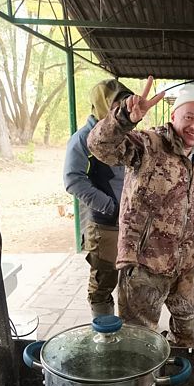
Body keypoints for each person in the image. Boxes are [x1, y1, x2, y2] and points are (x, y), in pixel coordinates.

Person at [87, 77, 194, 347]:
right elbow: (101, 147)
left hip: (183, 270)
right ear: (173, 115)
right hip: (144, 268)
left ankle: (169, 378)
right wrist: (123, 119)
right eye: (189, 117)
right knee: (137, 342)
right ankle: (144, 385)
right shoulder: (149, 145)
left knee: (189, 333)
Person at [63, 79, 133, 318]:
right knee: (103, 283)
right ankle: (104, 337)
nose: (122, 109)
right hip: (105, 225)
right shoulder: (83, 138)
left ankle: (125, 334)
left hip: (131, 222)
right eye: (117, 103)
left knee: (131, 280)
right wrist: (110, 207)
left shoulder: (125, 135)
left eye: (125, 103)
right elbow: (73, 179)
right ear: (102, 104)